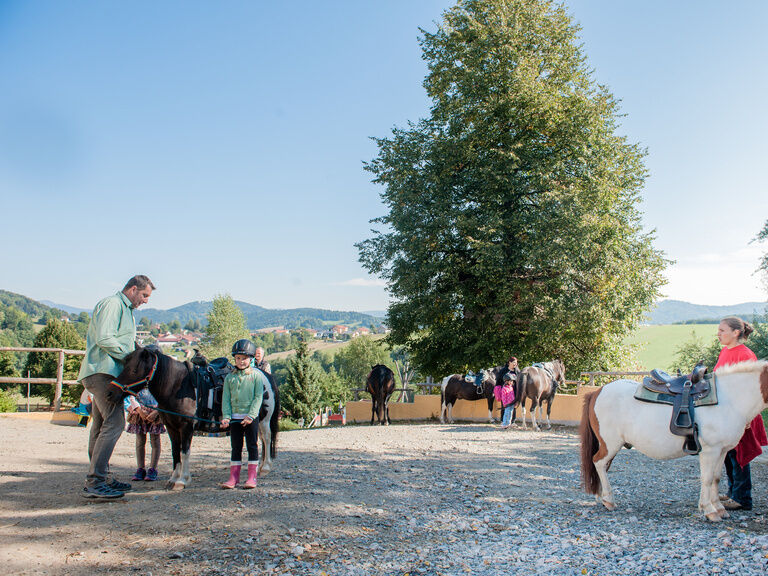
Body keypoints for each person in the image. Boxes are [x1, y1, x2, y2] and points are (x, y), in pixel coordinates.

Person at [78, 275, 154, 499]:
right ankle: (96, 481)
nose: (146, 301)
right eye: (144, 295)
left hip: (106, 372)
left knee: (100, 426)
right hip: (103, 372)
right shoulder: (113, 304)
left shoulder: (127, 311)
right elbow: (105, 339)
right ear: (133, 289)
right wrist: (131, 360)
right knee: (114, 424)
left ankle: (101, 477)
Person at [715, 316, 767, 512]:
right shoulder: (725, 352)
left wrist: (745, 418)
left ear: (736, 333)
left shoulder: (745, 355)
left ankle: (743, 498)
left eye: (722, 330)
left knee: (740, 456)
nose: (718, 334)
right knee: (728, 455)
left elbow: (750, 391)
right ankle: (732, 492)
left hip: (741, 415)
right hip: (726, 415)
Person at [219, 339, 266, 489]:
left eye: (244, 358)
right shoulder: (229, 378)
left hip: (250, 417)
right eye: (238, 358)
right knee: (236, 447)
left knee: (252, 445)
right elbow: (226, 399)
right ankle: (234, 478)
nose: (241, 361)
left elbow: (258, 397)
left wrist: (251, 416)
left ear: (251, 359)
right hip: (235, 417)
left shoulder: (256, 376)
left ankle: (252, 477)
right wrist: (226, 416)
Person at [125, 388, 165, 482]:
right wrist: (139, 410)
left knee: (155, 440)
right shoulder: (139, 378)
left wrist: (157, 411)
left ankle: (153, 469)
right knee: (140, 440)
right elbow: (132, 394)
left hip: (155, 411)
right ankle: (140, 468)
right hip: (139, 412)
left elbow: (165, 395)